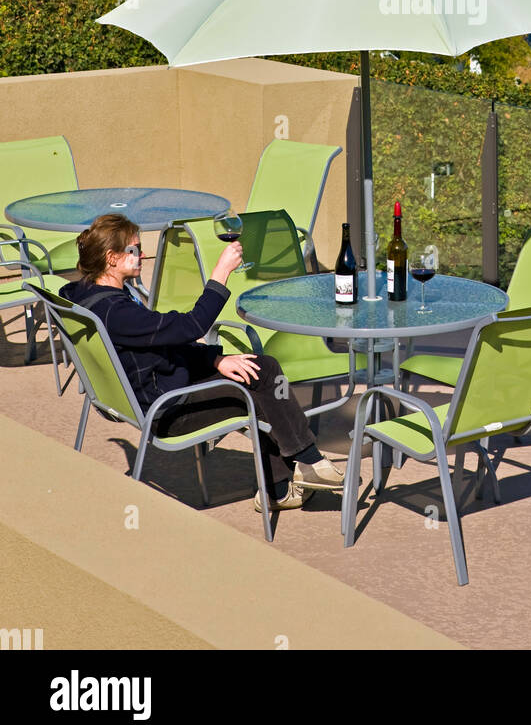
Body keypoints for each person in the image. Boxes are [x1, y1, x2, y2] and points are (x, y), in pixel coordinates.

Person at [59, 213, 344, 512]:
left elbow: (161, 344)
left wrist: (216, 359)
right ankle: (301, 468)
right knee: (262, 379)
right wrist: (221, 272)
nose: (142, 254)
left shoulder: (84, 295)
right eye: (134, 249)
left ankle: (286, 480)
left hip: (146, 394)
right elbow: (193, 326)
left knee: (255, 372)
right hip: (166, 410)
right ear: (112, 258)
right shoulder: (118, 312)